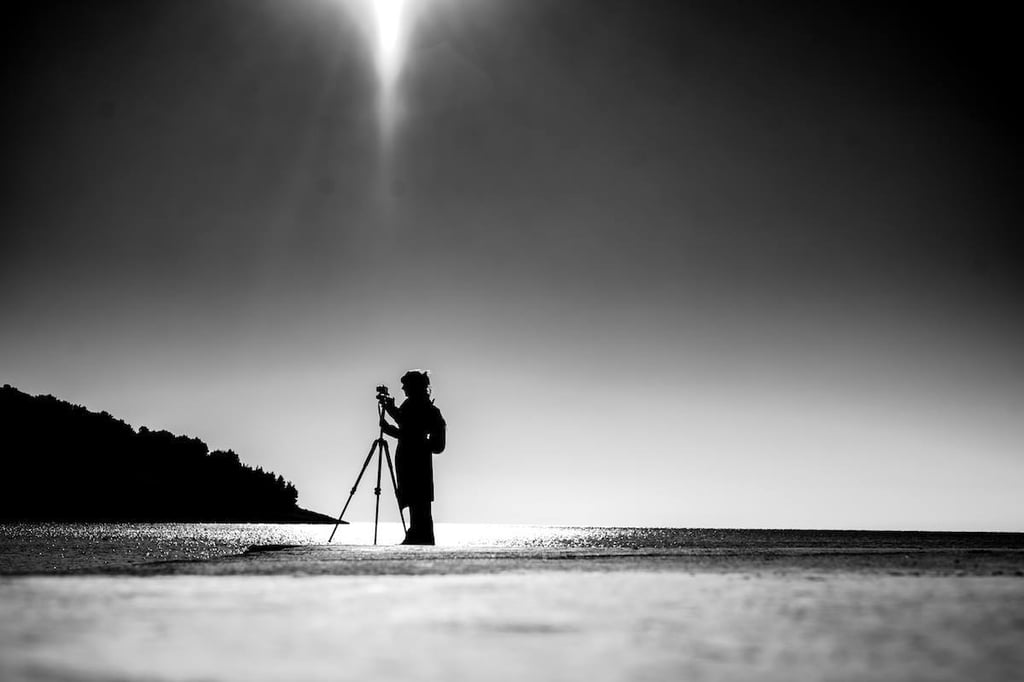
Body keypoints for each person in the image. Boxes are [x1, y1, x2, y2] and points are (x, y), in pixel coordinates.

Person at [380, 370, 446, 545]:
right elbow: (408, 429)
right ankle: (416, 535)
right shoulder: (412, 406)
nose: (403, 388)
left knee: (419, 504)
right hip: (410, 461)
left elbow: (411, 431)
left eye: (406, 385)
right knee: (415, 502)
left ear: (415, 387)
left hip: (417, 464)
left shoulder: (424, 408)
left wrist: (391, 419)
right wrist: (392, 413)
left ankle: (419, 536)